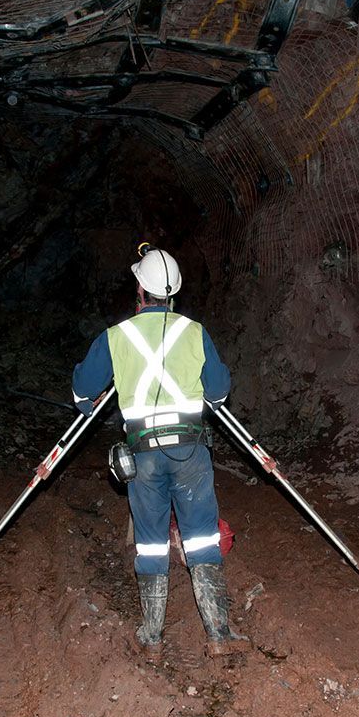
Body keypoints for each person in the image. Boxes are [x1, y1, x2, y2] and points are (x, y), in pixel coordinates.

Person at [72, 246, 249, 657]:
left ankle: (151, 638)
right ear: (174, 294)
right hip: (191, 453)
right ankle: (219, 636)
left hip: (143, 457)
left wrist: (101, 397)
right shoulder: (194, 331)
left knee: (151, 543)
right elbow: (219, 392)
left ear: (140, 289)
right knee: (202, 538)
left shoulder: (117, 337)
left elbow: (83, 392)